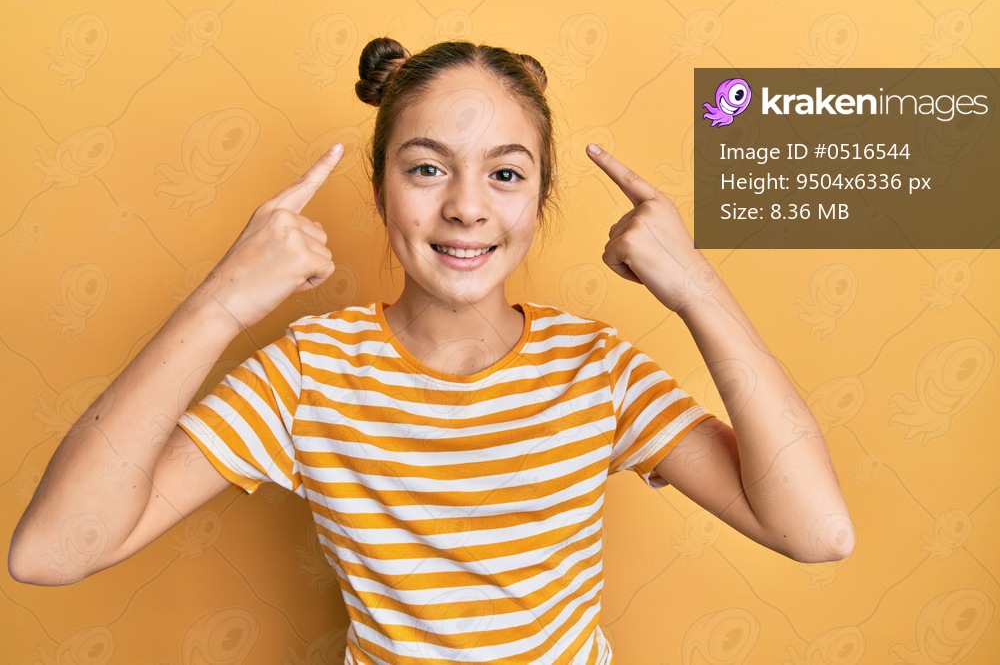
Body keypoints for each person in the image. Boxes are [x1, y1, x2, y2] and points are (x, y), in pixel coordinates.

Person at [9, 38, 853, 663]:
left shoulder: (597, 368)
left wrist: (698, 287)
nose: (466, 208)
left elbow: (816, 532)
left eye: (506, 174)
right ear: (379, 191)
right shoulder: (311, 371)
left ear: (539, 201)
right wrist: (222, 302)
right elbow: (52, 553)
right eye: (426, 169)